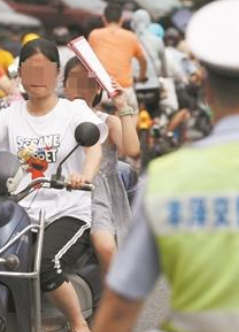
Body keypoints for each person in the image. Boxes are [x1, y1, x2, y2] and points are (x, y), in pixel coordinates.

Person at [0, 38, 107, 332]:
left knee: (45, 264)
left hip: (66, 210)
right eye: (31, 70)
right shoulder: (10, 115)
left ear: (56, 74)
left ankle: (79, 323)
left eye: (44, 70)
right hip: (20, 212)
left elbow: (94, 148)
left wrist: (85, 176)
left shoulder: (74, 111)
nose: (38, 79)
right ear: (21, 74)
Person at [92, 1, 239, 332]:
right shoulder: (138, 39)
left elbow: (119, 307)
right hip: (132, 90)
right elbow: (148, 63)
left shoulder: (167, 179)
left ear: (207, 89)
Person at [63, 56, 139, 278]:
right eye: (74, 80)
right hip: (59, 189)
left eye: (88, 83)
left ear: (98, 88)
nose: (80, 88)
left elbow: (132, 150)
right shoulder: (56, 117)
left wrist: (122, 107)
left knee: (105, 247)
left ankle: (111, 303)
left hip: (97, 197)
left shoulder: (107, 121)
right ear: (65, 85)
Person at [88, 3, 147, 117]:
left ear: (104, 18)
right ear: (121, 19)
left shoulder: (94, 35)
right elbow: (143, 61)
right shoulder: (130, 36)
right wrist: (141, 77)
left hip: (102, 92)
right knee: (134, 113)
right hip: (124, 91)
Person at [131, 9, 168, 119]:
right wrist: (164, 74)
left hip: (135, 86)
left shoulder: (129, 39)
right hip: (154, 86)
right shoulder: (157, 40)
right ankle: (156, 126)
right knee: (155, 114)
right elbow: (163, 63)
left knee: (133, 115)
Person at [52, 26, 74, 96]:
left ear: (53, 39)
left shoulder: (49, 54)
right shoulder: (73, 55)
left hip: (52, 93)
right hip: (68, 93)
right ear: (68, 39)